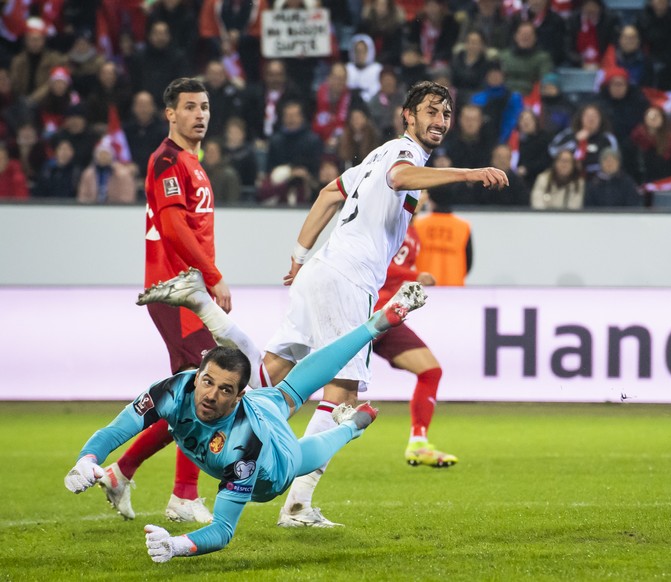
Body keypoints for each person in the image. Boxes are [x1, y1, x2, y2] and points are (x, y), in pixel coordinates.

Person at [266, 80, 507, 527]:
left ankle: (231, 438)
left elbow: (328, 196)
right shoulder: (404, 155)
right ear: (408, 116)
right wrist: (468, 174)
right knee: (343, 396)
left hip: (321, 269)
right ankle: (294, 502)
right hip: (348, 280)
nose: (440, 121)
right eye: (431, 111)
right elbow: (400, 178)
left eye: (446, 114)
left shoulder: (375, 154)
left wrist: (300, 259)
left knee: (275, 369)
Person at [65, 269, 426, 562]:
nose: (210, 394)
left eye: (225, 390)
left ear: (239, 396)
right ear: (197, 375)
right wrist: (88, 458)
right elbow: (114, 431)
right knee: (287, 390)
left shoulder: (243, 445)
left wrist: (178, 545)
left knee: (301, 456)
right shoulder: (173, 390)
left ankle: (351, 426)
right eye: (207, 382)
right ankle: (377, 325)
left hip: (272, 467)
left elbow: (223, 529)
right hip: (265, 403)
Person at [96, 78, 232, 525]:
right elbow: (174, 228)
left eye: (205, 107)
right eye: (190, 107)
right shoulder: (168, 160)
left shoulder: (192, 161)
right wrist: (212, 277)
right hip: (175, 293)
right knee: (205, 390)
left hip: (189, 294)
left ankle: (123, 471)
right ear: (170, 113)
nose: (200, 114)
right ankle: (182, 494)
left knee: (187, 396)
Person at [373, 218, 458, 465]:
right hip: (363, 313)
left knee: (430, 371)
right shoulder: (385, 222)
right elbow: (378, 269)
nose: (421, 196)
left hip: (389, 315)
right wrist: (414, 275)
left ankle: (418, 443)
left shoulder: (413, 233)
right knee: (332, 386)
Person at [414, 185, 473, 286]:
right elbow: (469, 262)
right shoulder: (463, 227)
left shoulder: (417, 225)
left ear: (429, 198)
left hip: (423, 290)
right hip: (454, 288)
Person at [76, 137, 137, 204]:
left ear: (112, 156)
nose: (103, 157)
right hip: (92, 209)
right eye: (101, 154)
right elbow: (82, 196)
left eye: (106, 154)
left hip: (116, 209)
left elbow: (127, 196)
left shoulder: (123, 174)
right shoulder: (88, 174)